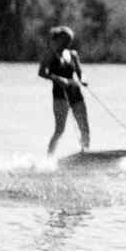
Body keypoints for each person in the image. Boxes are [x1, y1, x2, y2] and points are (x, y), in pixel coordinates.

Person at [39, 25, 91, 155]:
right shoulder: (50, 54)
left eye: (69, 40)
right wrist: (57, 78)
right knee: (60, 129)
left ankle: (85, 153)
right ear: (57, 39)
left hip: (75, 93)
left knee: (84, 127)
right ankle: (49, 157)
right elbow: (41, 72)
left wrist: (83, 80)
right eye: (65, 39)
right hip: (60, 95)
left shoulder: (73, 55)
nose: (67, 42)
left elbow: (80, 73)